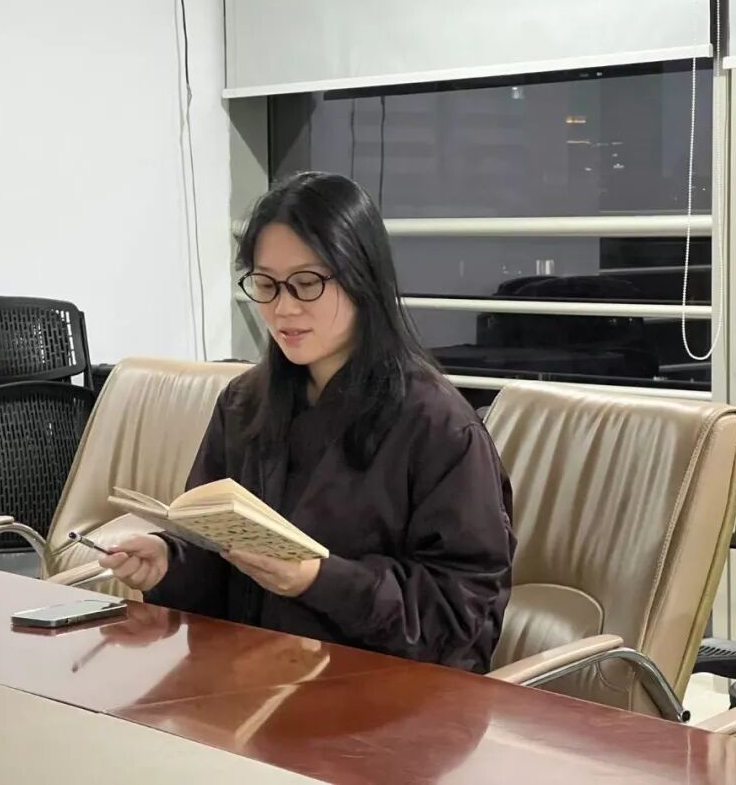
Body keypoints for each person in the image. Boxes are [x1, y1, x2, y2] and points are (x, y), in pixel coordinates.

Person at [99, 172, 515, 672]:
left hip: (376, 694)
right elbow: (217, 559)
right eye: (266, 285)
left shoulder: (438, 426)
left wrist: (317, 580)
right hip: (249, 681)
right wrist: (169, 562)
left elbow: (463, 619)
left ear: (362, 279)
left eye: (307, 283)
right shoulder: (244, 403)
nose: (283, 308)